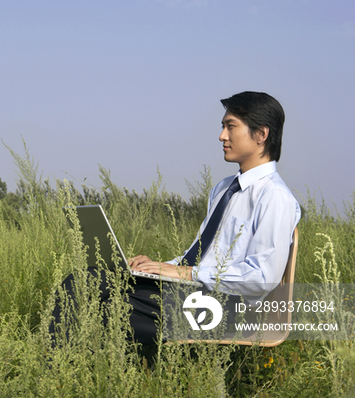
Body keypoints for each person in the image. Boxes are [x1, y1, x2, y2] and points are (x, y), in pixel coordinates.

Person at [51, 91, 301, 345]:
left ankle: (58, 372)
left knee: (113, 308)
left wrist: (187, 274)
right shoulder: (224, 189)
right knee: (88, 278)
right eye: (223, 127)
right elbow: (202, 256)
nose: (222, 136)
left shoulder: (275, 198)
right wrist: (156, 268)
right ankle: (56, 369)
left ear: (261, 134)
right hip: (194, 292)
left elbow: (261, 278)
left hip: (229, 309)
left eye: (231, 126)